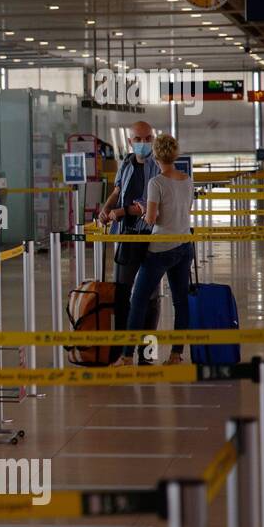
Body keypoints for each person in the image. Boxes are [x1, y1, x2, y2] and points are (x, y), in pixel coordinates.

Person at [112, 134, 194, 367]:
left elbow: (152, 218)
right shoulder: (187, 179)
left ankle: (127, 355)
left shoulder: (156, 182)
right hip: (184, 245)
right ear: (175, 154)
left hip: (160, 250)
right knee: (180, 302)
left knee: (138, 300)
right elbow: (184, 209)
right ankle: (177, 354)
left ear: (155, 156)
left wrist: (139, 209)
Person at [98, 119, 161, 362]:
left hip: (150, 237)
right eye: (139, 140)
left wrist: (121, 212)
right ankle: (124, 350)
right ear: (129, 142)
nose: (144, 144)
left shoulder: (157, 167)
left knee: (150, 295)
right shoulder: (126, 163)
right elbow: (116, 192)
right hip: (125, 237)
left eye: (148, 139)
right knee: (122, 295)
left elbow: (147, 205)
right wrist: (106, 210)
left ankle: (147, 352)